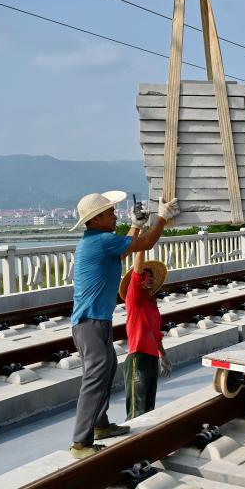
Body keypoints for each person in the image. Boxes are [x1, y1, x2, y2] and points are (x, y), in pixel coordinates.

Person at [68, 192, 179, 459]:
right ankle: (80, 443)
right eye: (110, 214)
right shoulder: (101, 241)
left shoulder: (97, 242)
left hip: (95, 322)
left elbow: (128, 246)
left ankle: (100, 425)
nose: (115, 216)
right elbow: (146, 244)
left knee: (105, 372)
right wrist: (161, 218)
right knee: (95, 378)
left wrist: (136, 224)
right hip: (89, 322)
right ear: (95, 220)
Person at [120, 247, 169, 420]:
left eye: (151, 276)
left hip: (152, 360)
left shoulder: (151, 303)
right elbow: (136, 273)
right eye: (145, 276)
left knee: (149, 409)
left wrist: (163, 355)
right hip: (137, 360)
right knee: (136, 409)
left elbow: (156, 334)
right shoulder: (133, 300)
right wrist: (143, 245)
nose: (149, 279)